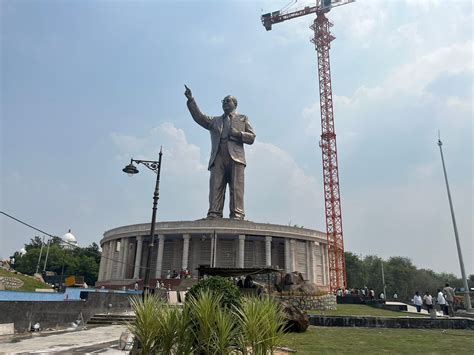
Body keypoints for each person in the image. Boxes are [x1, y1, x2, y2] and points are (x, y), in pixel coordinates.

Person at [185, 85, 256, 220]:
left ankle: (237, 214)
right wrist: (191, 100)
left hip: (236, 158)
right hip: (218, 157)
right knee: (216, 187)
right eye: (223, 101)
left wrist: (238, 134)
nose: (224, 103)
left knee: (237, 188)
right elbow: (199, 117)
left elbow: (252, 137)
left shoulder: (243, 118)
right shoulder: (214, 121)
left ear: (235, 104)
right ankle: (214, 213)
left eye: (227, 101)